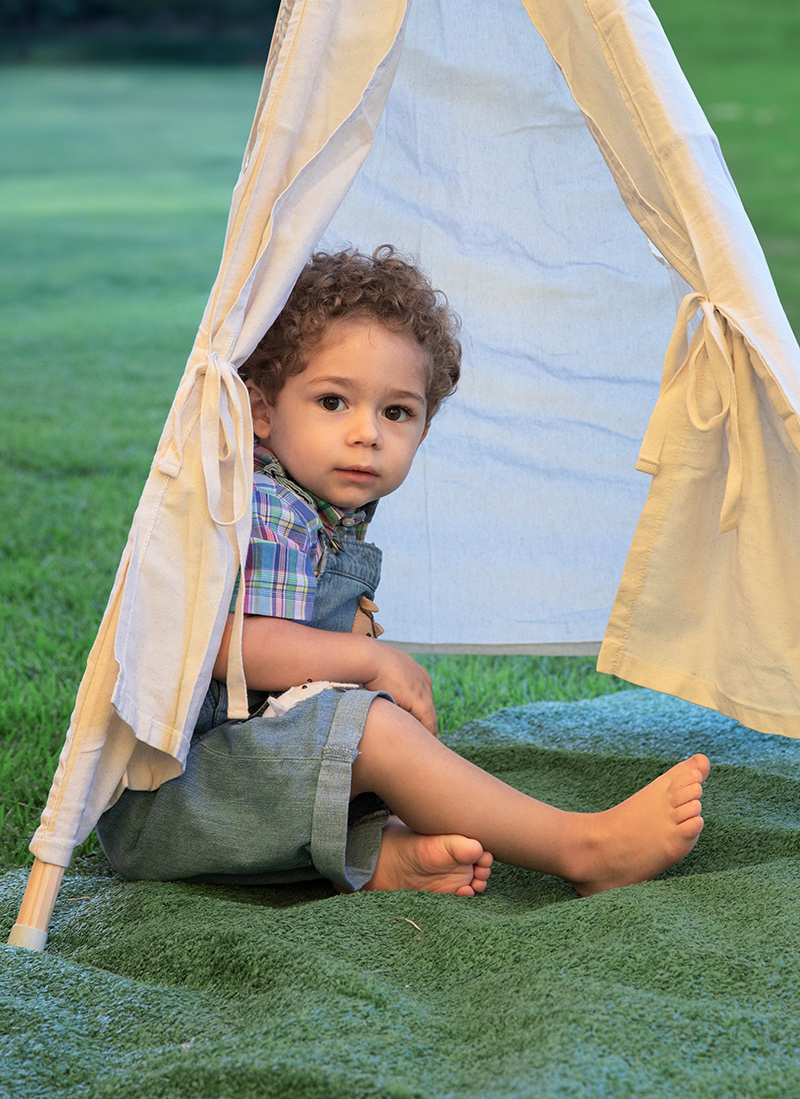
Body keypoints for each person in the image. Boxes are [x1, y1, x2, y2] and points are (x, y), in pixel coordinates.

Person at [98, 245, 709, 898]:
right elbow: (233, 643)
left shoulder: (321, 508)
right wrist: (369, 662)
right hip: (172, 798)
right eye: (333, 401)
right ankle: (583, 849)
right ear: (263, 411)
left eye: (397, 412)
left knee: (371, 724)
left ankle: (379, 861)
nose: (368, 433)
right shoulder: (267, 507)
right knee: (376, 726)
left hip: (235, 794)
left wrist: (345, 638)